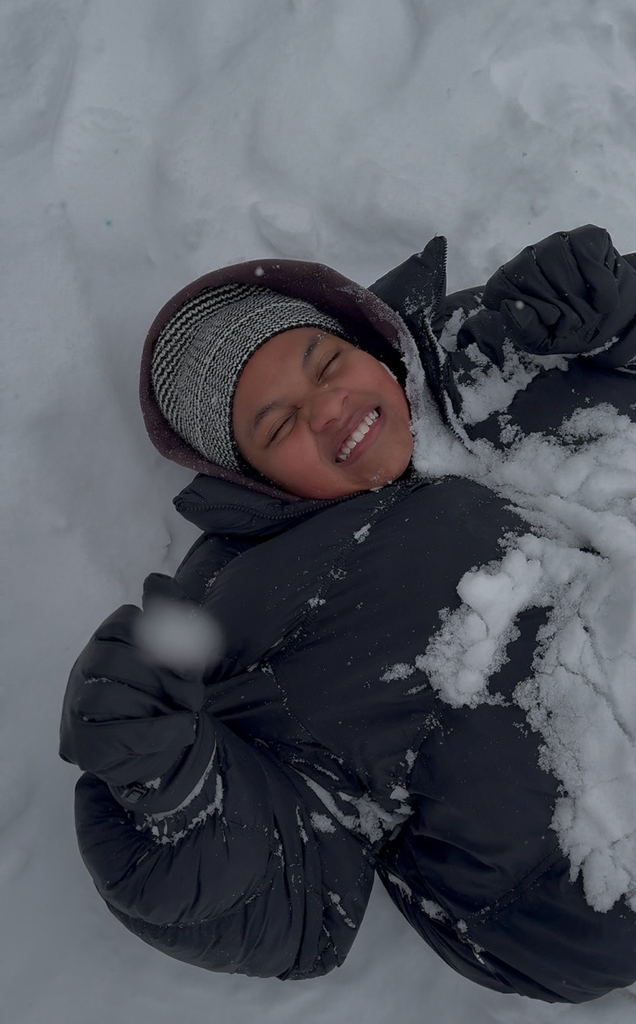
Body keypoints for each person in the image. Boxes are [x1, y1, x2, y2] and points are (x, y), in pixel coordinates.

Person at [60, 224, 636, 1002]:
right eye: (276, 425)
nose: (328, 408)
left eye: (326, 362)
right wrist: (168, 781)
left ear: (365, 343)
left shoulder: (498, 346)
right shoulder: (262, 615)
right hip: (588, 871)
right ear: (252, 481)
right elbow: (283, 885)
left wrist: (612, 308)